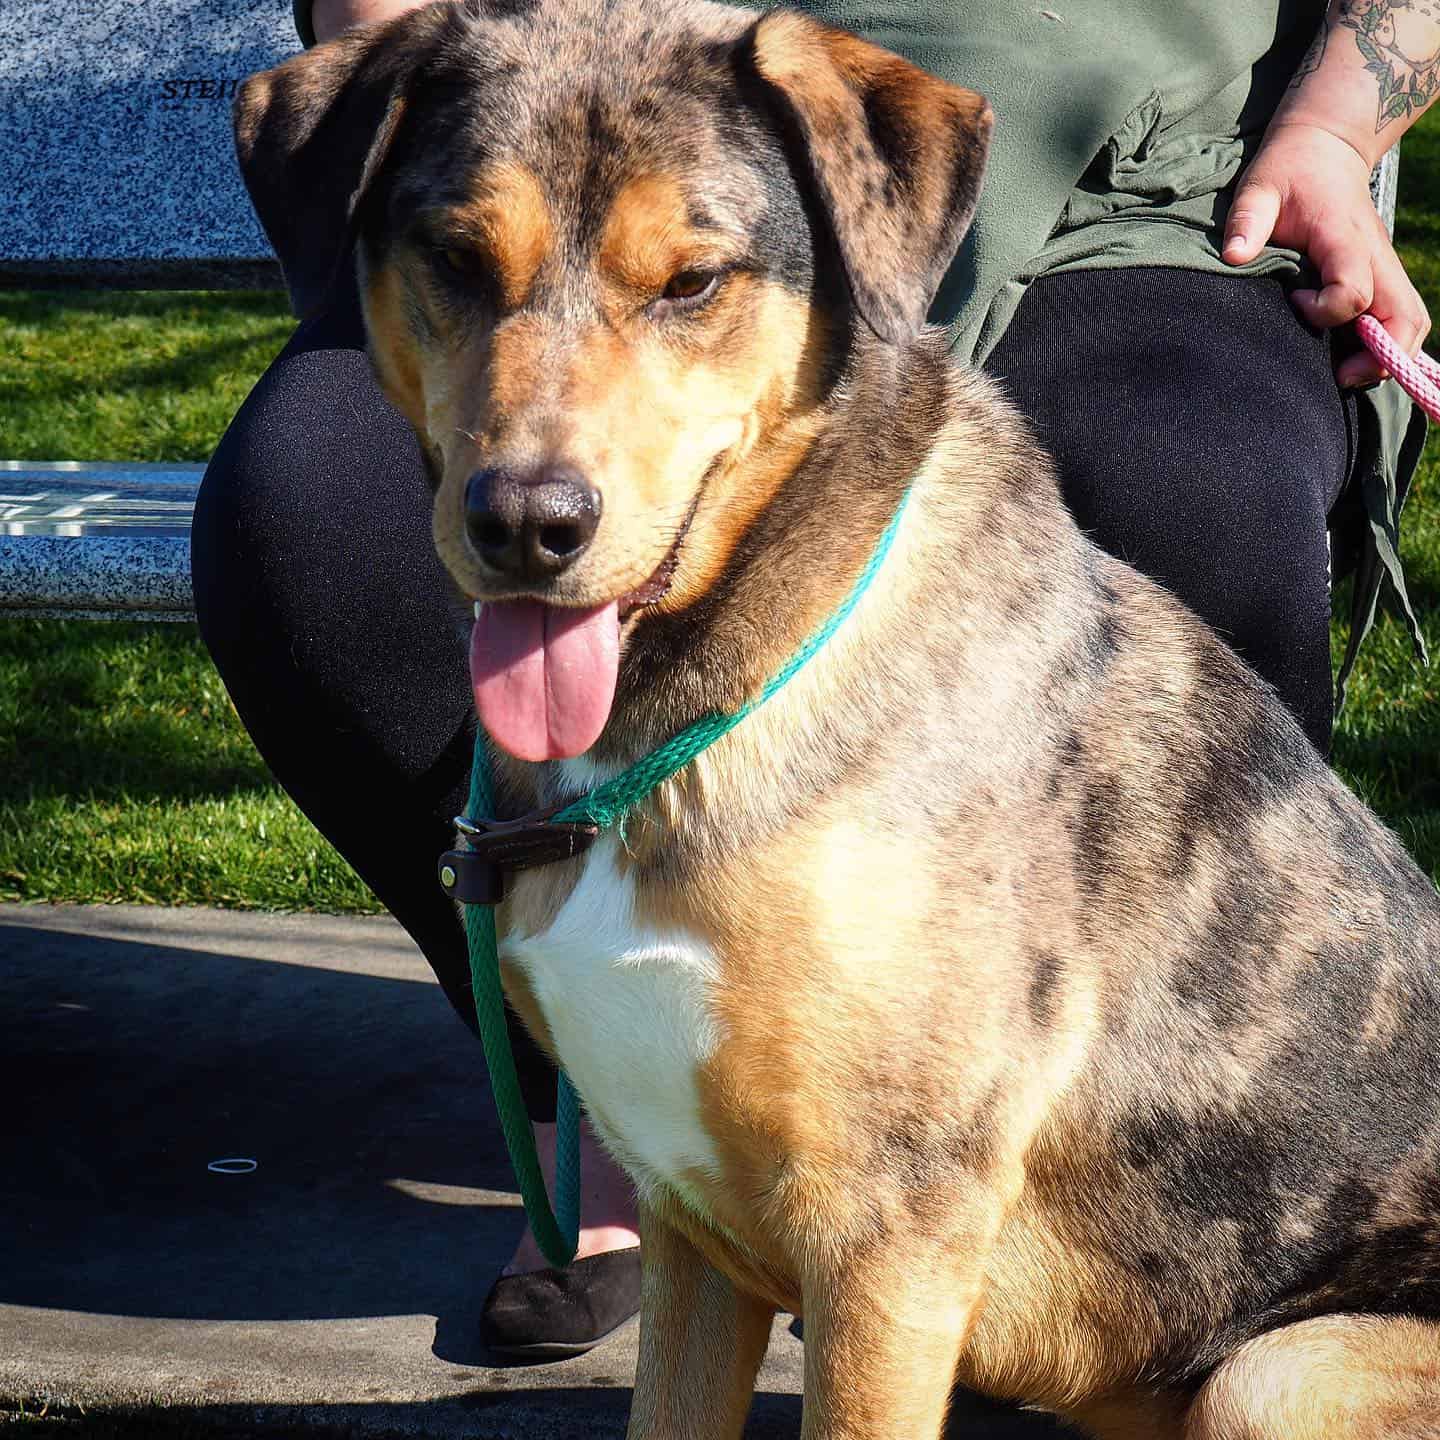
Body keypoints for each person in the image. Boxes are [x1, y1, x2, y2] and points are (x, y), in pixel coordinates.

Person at [193, 0, 1434, 1356]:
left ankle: (1114, 1220)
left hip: (1137, 190)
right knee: (315, 513)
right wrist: (442, 65)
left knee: (1200, 501)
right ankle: (627, 1109)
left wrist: (1334, 123)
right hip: (579, 118)